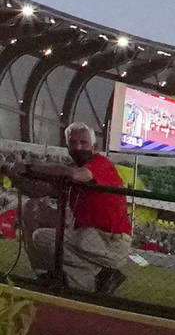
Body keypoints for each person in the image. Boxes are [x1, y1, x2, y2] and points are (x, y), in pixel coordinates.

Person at [8, 125, 134, 294]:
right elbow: (38, 191)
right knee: (30, 209)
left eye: (83, 142)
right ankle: (47, 274)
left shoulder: (100, 164)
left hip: (110, 241)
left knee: (43, 238)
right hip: (88, 236)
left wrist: (29, 167)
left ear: (94, 147)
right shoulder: (71, 169)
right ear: (67, 146)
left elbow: (75, 175)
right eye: (73, 143)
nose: (78, 147)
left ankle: (92, 280)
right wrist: (11, 173)